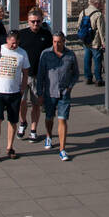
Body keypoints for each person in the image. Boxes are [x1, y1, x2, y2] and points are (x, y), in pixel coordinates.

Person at [0, 31, 30, 161]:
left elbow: (25, 72)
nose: (14, 45)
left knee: (13, 121)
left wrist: (23, 87)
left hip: (14, 92)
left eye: (16, 43)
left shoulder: (22, 53)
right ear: (7, 40)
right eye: (12, 43)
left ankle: (10, 147)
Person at [37, 32, 79, 161]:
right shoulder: (46, 54)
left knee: (62, 119)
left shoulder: (70, 55)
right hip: (49, 92)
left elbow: (75, 73)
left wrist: (70, 87)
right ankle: (49, 135)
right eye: (54, 42)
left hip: (64, 93)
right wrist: (40, 93)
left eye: (59, 42)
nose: (56, 44)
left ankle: (62, 149)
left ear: (64, 41)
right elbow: (40, 74)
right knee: (49, 117)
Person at [17, 8, 53, 141]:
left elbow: (51, 53)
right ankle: (22, 122)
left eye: (38, 21)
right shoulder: (22, 34)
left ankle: (33, 129)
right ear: (28, 21)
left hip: (38, 75)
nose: (35, 24)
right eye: (33, 21)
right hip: (23, 74)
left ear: (42, 21)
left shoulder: (46, 35)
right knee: (21, 101)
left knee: (36, 103)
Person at [77, 0, 106, 86]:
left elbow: (78, 26)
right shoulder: (98, 14)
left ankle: (88, 78)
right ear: (97, 4)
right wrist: (103, 42)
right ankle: (98, 79)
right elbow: (101, 30)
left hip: (86, 40)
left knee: (87, 59)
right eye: (101, 3)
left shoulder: (83, 12)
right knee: (97, 60)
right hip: (95, 41)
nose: (102, 5)